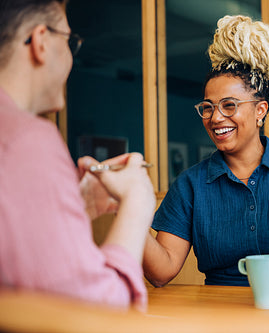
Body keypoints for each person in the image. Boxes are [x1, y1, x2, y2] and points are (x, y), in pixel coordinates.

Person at [143, 15, 269, 304]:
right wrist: (129, 211)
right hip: (221, 310)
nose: (216, 118)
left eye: (229, 105)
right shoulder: (191, 184)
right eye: (208, 107)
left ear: (260, 111)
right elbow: (160, 273)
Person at [0, 0, 156, 311]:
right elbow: (101, 312)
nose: (72, 55)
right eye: (70, 41)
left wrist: (77, 206)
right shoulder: (28, 139)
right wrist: (137, 203)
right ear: (41, 41)